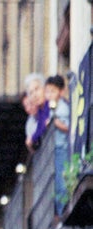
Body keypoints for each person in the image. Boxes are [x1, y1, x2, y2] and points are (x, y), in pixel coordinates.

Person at [44, 74, 71, 216]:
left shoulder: (64, 107)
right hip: (54, 149)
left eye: (52, 91)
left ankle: (62, 213)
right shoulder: (49, 108)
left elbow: (69, 127)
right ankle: (59, 212)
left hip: (63, 148)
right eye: (47, 91)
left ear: (61, 91)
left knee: (61, 183)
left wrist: (56, 123)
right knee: (54, 184)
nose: (49, 95)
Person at [25, 73, 50, 150]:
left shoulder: (51, 104)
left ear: (45, 89)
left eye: (37, 89)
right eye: (31, 93)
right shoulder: (40, 112)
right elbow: (40, 129)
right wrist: (32, 139)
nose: (35, 95)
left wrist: (32, 139)